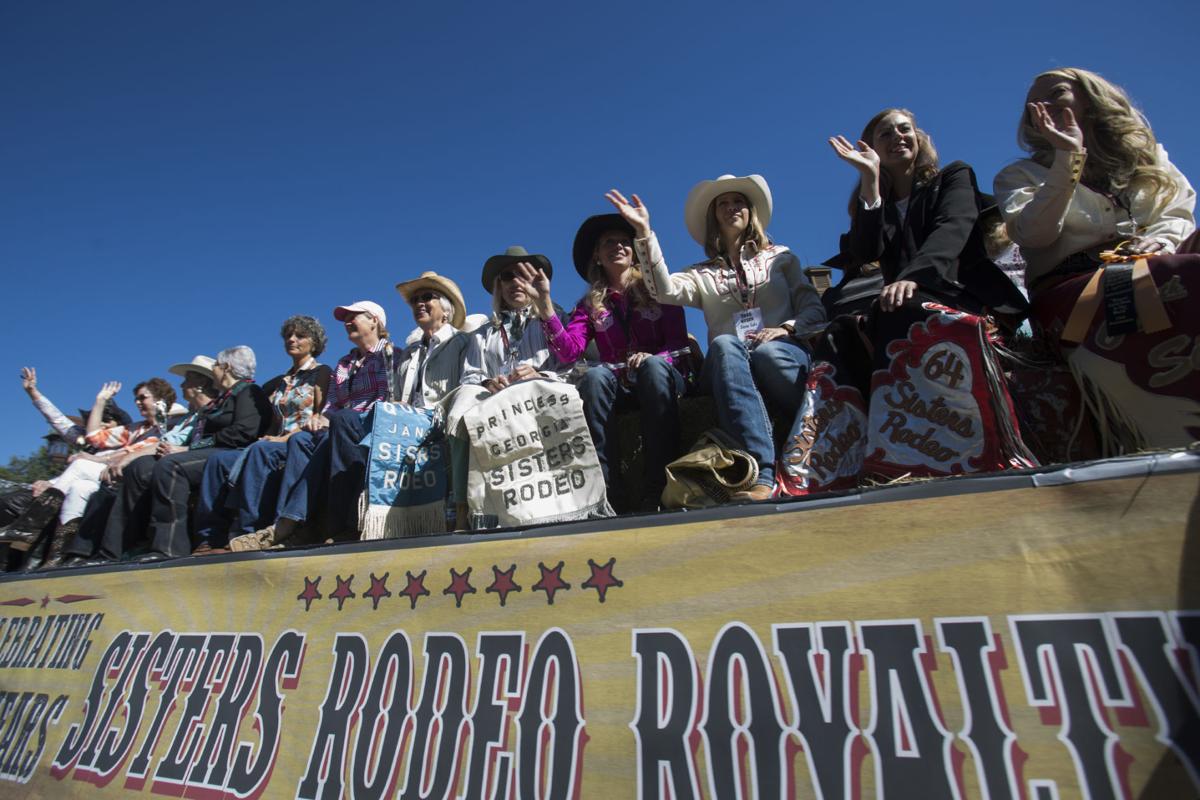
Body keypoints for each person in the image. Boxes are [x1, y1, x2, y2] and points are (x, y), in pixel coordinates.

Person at [777, 108, 1034, 492]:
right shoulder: (877, 200)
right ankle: (831, 464)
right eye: (885, 134)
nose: (898, 136)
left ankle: (919, 454)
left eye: (905, 129)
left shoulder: (953, 176)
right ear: (873, 149)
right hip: (902, 301)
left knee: (900, 311)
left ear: (919, 137)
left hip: (962, 295)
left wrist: (912, 278)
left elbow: (953, 229)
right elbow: (864, 252)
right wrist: (869, 180)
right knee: (840, 335)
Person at [994, 68, 1198, 451]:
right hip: (1076, 289)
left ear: (1091, 98)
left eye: (1057, 93)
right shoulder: (1019, 175)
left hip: (1162, 261)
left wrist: (1159, 244)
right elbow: (1034, 234)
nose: (1045, 106)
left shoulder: (1148, 159)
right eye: (1034, 104)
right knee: (1175, 282)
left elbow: (1176, 213)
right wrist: (1067, 160)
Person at [607, 176, 826, 501]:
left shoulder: (781, 258)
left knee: (768, 356)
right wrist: (644, 233)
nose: (731, 207)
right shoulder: (701, 272)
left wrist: (787, 329)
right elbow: (662, 290)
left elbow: (814, 308)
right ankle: (762, 474)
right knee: (724, 344)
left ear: (751, 211)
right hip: (727, 364)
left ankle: (821, 434)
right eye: (722, 203)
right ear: (713, 218)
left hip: (781, 351)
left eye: (738, 201)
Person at [526, 213, 693, 511]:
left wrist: (654, 358)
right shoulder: (590, 304)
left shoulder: (659, 289)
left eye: (624, 242)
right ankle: (608, 494)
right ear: (597, 256)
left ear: (634, 251)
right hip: (619, 385)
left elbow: (679, 343)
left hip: (662, 378)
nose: (617, 246)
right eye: (608, 243)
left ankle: (659, 486)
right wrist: (546, 307)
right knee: (594, 377)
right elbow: (569, 352)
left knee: (653, 369)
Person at [230, 301, 392, 550]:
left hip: (369, 427)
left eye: (354, 316)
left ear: (374, 321)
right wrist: (321, 418)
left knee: (338, 426)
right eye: (345, 318)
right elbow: (333, 405)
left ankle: (288, 525)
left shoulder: (390, 355)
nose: (347, 321)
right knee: (301, 439)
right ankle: (293, 526)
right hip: (340, 425)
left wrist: (337, 419)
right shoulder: (345, 363)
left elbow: (388, 398)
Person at [0, 370, 179, 568]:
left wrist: (96, 459)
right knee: (80, 488)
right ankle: (57, 557)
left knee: (80, 465)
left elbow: (140, 453)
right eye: (135, 399)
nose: (137, 402)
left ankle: (30, 526)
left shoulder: (169, 427)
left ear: (160, 400)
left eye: (142, 398)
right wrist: (100, 400)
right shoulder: (136, 429)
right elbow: (93, 436)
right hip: (99, 479)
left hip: (129, 480)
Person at [191, 317, 332, 552]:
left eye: (300, 336)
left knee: (260, 451)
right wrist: (268, 436)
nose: (292, 339)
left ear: (314, 341)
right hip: (273, 441)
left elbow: (319, 416)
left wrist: (281, 438)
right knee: (218, 461)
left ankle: (250, 533)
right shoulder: (280, 382)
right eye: (288, 335)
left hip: (301, 439)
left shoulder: (321, 372)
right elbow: (272, 420)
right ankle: (209, 538)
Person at [133, 346, 272, 560]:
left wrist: (189, 448)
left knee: (172, 466)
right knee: (144, 466)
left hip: (234, 452)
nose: (213, 368)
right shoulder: (224, 398)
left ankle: (170, 547)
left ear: (225, 368)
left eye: (216, 364)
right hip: (214, 451)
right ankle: (137, 541)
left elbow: (244, 432)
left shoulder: (248, 391)